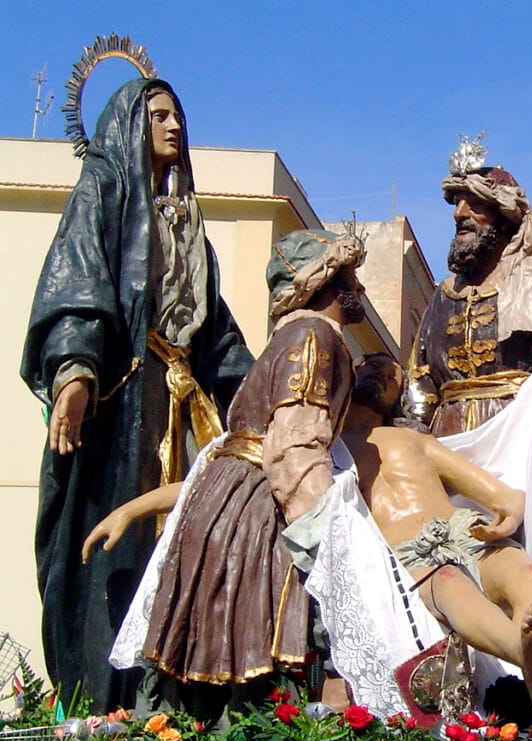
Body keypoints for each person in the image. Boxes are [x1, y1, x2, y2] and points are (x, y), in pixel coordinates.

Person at [20, 78, 253, 710]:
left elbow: (217, 333)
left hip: (180, 406)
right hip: (122, 402)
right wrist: (73, 372)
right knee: (110, 544)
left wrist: (259, 396)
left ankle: (165, 701)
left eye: (179, 115)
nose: (175, 126)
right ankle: (106, 698)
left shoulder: (188, 226)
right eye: (158, 116)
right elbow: (77, 277)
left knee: (183, 538)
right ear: (128, 124)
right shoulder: (104, 190)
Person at [91, 228, 365, 715]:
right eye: (349, 275)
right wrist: (330, 542)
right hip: (258, 511)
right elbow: (295, 446)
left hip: (220, 503)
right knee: (255, 656)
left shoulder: (287, 339)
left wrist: (132, 508)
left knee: (211, 656)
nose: (359, 288)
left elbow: (216, 462)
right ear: (323, 280)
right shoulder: (314, 337)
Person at [340, 354, 532, 741]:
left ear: (399, 395)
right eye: (370, 366)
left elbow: (506, 498)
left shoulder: (413, 440)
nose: (378, 376)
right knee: (449, 583)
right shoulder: (328, 450)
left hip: (465, 532)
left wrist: (506, 520)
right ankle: (528, 657)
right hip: (411, 555)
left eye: (390, 375)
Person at [405, 135, 532, 436]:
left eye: (475, 205)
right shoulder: (442, 297)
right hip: (446, 443)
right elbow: (420, 380)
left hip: (517, 438)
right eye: (457, 205)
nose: (459, 214)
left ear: (505, 219)